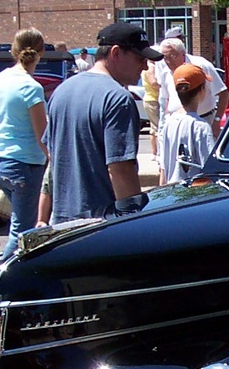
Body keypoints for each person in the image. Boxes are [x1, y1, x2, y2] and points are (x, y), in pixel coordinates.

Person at [44, 23, 161, 224]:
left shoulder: (61, 91)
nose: (144, 67)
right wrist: (135, 221)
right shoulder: (118, 98)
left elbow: (51, 155)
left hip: (62, 221)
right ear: (116, 53)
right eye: (140, 59)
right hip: (100, 224)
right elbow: (120, 169)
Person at [0, 28, 49, 254]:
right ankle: (2, 278)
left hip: (2, 162)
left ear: (14, 50)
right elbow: (43, 136)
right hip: (26, 165)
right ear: (40, 52)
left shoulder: (0, 79)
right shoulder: (31, 87)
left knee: (18, 224)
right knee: (23, 231)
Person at [158, 38, 228, 138]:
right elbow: (167, 99)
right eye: (165, 57)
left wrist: (217, 121)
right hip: (177, 122)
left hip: (204, 119)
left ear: (182, 53)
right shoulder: (165, 72)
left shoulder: (201, 65)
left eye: (172, 56)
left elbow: (223, 93)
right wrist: (166, 121)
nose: (168, 61)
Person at [158, 64, 214, 184]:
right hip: (194, 194)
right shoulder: (201, 127)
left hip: (172, 191)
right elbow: (209, 169)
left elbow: (163, 168)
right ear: (201, 91)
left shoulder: (168, 123)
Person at [141, 60, 161, 160]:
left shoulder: (150, 66)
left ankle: (155, 152)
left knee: (154, 128)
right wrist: (164, 88)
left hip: (151, 100)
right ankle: (158, 153)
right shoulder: (150, 67)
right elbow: (153, 83)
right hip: (153, 100)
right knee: (158, 128)